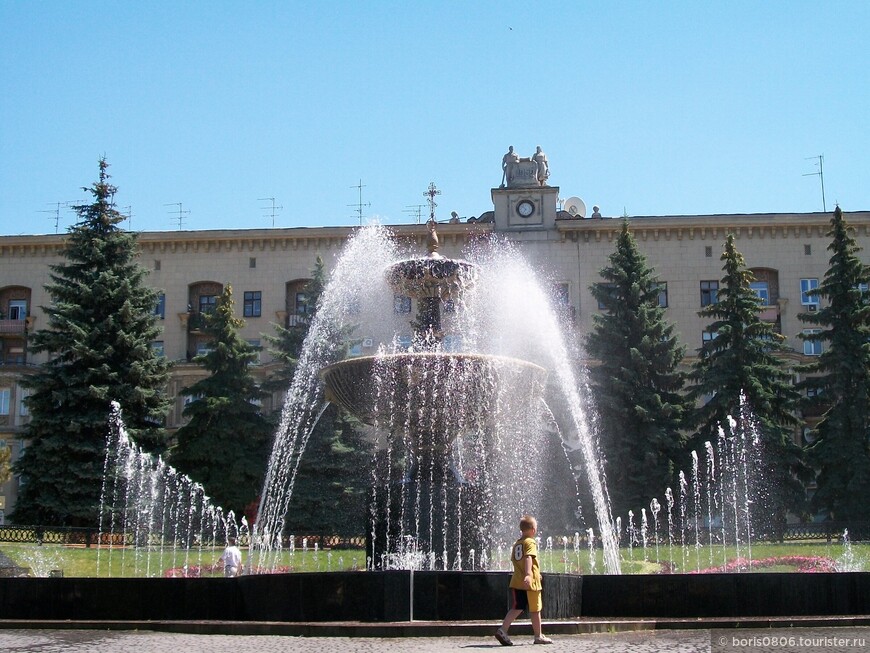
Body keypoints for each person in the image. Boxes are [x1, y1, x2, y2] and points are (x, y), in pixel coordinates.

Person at [495, 515, 553, 645]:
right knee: (535, 609)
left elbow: (516, 561)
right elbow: (528, 558)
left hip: (517, 581)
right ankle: (538, 636)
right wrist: (529, 574)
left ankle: (503, 629)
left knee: (517, 607)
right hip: (530, 583)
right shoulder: (530, 542)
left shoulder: (517, 544)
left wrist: (534, 573)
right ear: (533, 530)